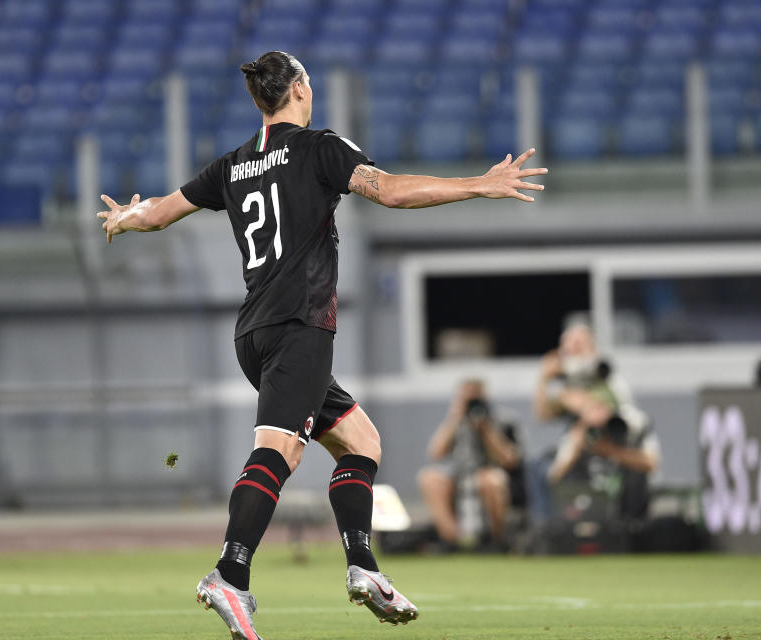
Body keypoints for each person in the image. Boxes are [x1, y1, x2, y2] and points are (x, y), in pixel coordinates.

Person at [97, 51, 547, 640]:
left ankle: (364, 568)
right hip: (297, 328)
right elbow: (387, 191)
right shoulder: (318, 147)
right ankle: (230, 574)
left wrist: (126, 218)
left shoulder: (232, 166)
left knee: (361, 441)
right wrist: (477, 186)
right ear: (302, 90)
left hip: (255, 333)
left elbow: (160, 213)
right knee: (280, 452)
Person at [529, 323, 659, 524]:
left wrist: (573, 400)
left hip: (618, 445)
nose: (573, 352)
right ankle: (547, 529)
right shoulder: (569, 384)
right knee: (541, 468)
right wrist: (544, 379)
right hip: (583, 450)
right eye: (568, 348)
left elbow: (602, 411)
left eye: (579, 346)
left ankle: (631, 527)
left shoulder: (606, 378)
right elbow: (543, 415)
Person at [418, 379, 521, 552]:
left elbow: (510, 460)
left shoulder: (503, 420)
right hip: (459, 476)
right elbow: (435, 453)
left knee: (491, 480)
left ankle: (496, 541)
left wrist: (486, 429)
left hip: (492, 475)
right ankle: (452, 540)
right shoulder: (455, 421)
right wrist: (455, 417)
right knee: (430, 478)